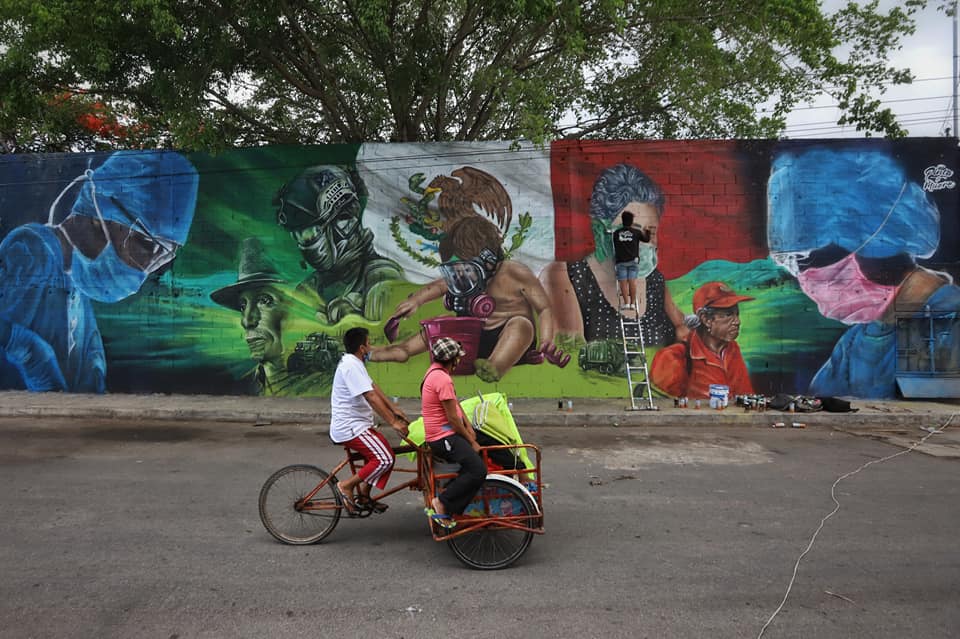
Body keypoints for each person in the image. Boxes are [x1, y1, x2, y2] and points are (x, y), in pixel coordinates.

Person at [767, 146, 960, 398]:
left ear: (876, 240)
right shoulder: (858, 341)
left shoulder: (948, 325)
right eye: (789, 263)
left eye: (803, 258)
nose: (802, 276)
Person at [0, 151, 198, 392]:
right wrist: (33, 355)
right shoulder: (32, 250)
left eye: (164, 256)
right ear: (98, 212)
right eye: (146, 245)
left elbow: (90, 373)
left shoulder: (75, 282)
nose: (146, 268)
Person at [372, 216, 569, 381]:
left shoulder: (513, 272)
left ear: (488, 260)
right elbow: (439, 285)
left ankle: (495, 366)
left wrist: (546, 342)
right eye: (454, 271)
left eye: (466, 269)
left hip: (511, 344)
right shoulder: (462, 278)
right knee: (442, 323)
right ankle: (398, 350)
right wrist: (415, 301)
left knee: (521, 325)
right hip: (473, 341)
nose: (459, 276)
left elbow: (544, 308)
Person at [541, 163, 687, 347]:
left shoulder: (655, 281)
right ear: (601, 230)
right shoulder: (567, 276)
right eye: (633, 230)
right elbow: (571, 352)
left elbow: (682, 328)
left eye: (652, 231)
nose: (643, 242)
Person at [274, 165, 402, 324]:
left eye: (311, 232)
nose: (307, 243)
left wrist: (357, 324)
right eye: (300, 235)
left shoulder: (381, 277)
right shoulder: (308, 288)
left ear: (345, 222)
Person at [329, 327, 409, 514]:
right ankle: (346, 486)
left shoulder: (355, 363)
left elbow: (373, 386)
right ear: (362, 347)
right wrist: (393, 422)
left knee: (386, 453)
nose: (371, 346)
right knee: (384, 458)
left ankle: (364, 496)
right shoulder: (350, 366)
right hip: (350, 427)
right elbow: (371, 396)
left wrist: (393, 408)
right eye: (369, 343)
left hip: (359, 425)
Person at [210, 238, 292, 395]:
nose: (247, 321)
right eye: (243, 306)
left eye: (264, 301)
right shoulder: (244, 387)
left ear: (291, 310)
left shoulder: (320, 380)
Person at [421, 337, 486, 529]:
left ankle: (519, 477)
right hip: (443, 438)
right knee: (478, 470)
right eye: (458, 357)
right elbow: (452, 419)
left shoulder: (436, 372)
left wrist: (471, 429)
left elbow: (456, 406)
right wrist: (470, 440)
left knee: (489, 439)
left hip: (448, 433)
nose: (459, 361)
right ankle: (444, 502)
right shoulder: (442, 379)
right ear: (453, 359)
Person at [650, 281, 755, 399]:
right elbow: (665, 409)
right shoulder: (672, 358)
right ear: (706, 320)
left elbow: (744, 395)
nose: (737, 321)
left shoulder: (731, 349)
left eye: (737, 314)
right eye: (728, 315)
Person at [612, 210, 652, 313]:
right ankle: (633, 303)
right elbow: (646, 239)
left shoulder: (616, 233)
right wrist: (647, 231)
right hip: (633, 261)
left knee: (623, 282)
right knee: (632, 281)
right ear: (632, 221)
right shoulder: (636, 232)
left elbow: (616, 246)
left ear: (623, 220)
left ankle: (626, 303)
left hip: (621, 261)